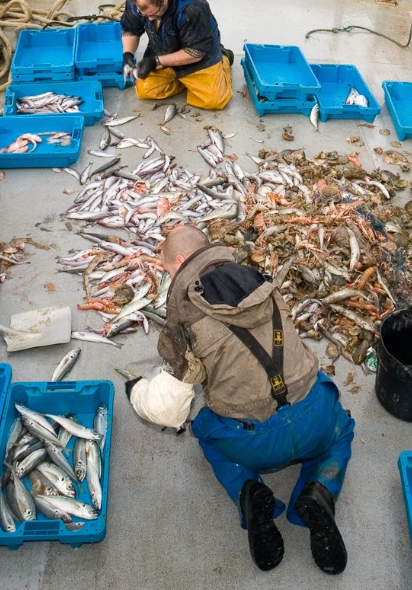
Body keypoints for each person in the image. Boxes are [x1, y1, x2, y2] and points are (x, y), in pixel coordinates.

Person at [127, 225, 353, 575]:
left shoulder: (183, 318)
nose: (168, 277)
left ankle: (250, 493)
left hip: (254, 441)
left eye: (168, 269)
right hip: (314, 421)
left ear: (183, 261)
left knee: (205, 430)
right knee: (341, 428)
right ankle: (320, 489)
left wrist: (136, 390)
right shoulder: (261, 280)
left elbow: (166, 411)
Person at [120, 0, 234, 110]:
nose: (149, 19)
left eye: (154, 14)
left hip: (198, 54)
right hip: (162, 49)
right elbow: (130, 29)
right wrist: (127, 54)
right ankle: (183, 80)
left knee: (214, 101)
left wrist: (155, 61)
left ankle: (223, 57)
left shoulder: (193, 6)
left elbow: (195, 52)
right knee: (144, 90)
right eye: (145, 15)